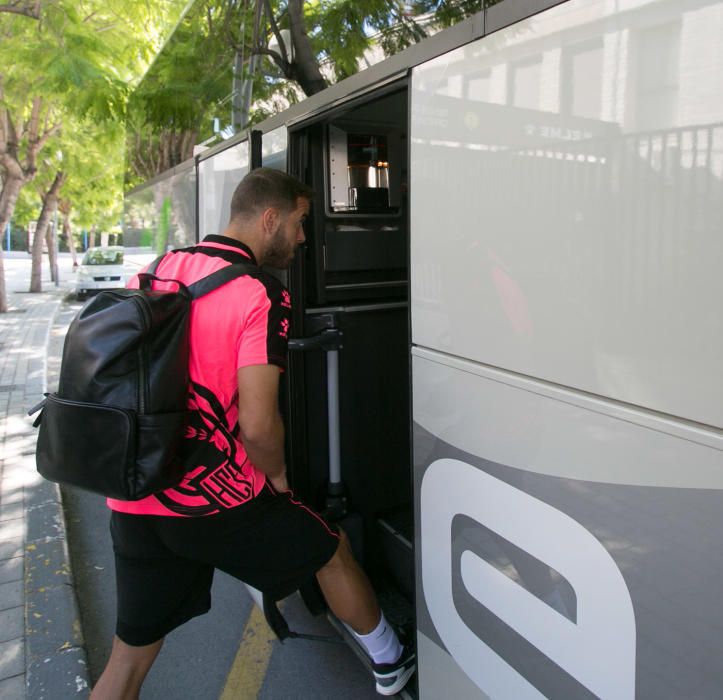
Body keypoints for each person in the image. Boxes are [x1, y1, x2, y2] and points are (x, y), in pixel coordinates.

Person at [90, 168, 415, 699]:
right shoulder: (258, 294)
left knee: (128, 658)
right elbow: (258, 424)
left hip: (137, 493)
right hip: (214, 499)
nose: (303, 237)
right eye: (300, 222)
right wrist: (279, 478)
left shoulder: (158, 269)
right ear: (270, 219)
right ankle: (389, 659)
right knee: (331, 552)